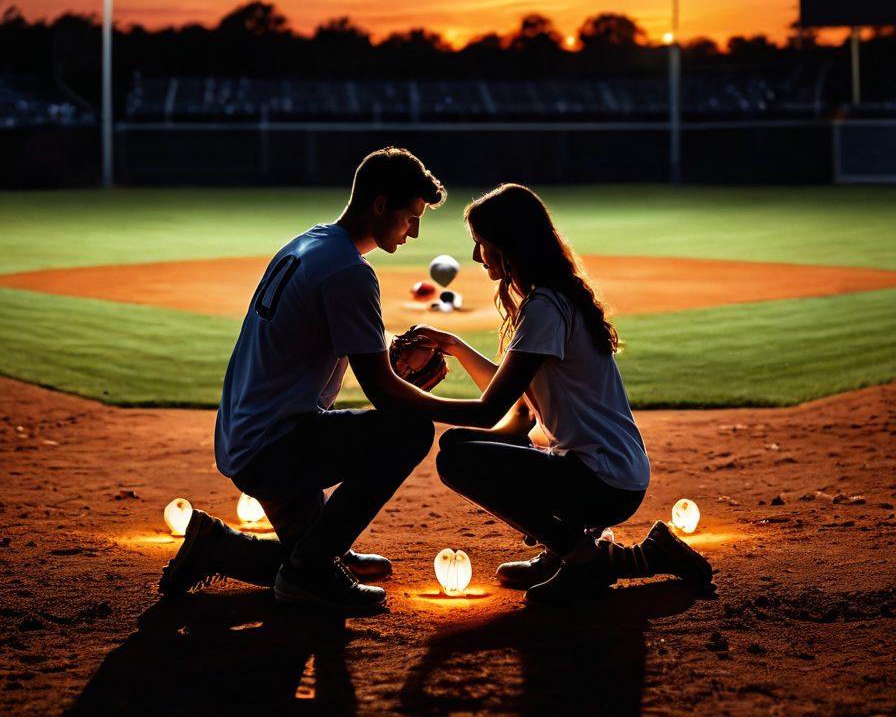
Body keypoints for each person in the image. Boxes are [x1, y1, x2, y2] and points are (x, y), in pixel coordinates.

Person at [159, 147, 446, 615]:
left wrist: (397, 360)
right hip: (275, 447)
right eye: (410, 217)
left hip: (249, 436)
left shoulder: (311, 243)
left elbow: (342, 342)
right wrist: (457, 409)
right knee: (410, 431)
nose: (414, 231)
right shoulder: (350, 271)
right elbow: (382, 393)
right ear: (379, 205)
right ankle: (314, 564)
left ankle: (221, 546)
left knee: (301, 556)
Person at [416, 184, 714, 603]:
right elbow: (518, 410)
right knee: (459, 444)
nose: (475, 256)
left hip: (601, 481)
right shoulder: (553, 300)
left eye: (480, 244)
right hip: (608, 473)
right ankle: (598, 552)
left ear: (506, 245)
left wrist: (407, 403)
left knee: (457, 460)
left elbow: (491, 411)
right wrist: (455, 346)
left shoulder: (544, 308)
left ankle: (579, 556)